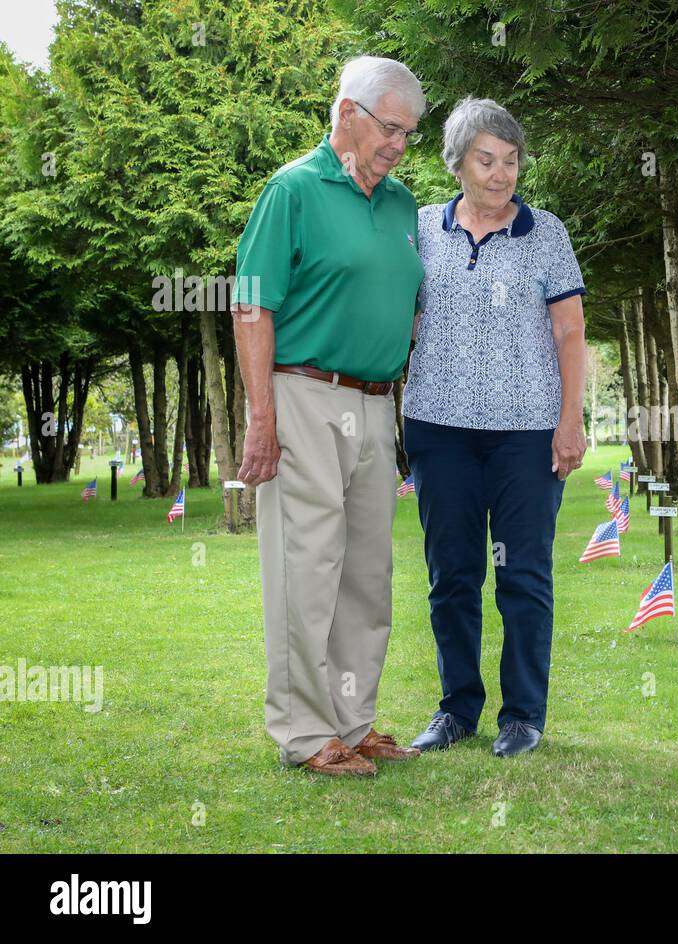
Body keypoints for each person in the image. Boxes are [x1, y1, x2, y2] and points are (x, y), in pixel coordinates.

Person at [231, 56, 427, 777]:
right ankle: (306, 732)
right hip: (304, 397)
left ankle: (354, 720)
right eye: (390, 128)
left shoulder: (403, 203)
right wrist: (261, 418)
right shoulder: (292, 190)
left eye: (410, 133)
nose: (400, 144)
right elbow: (252, 304)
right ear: (347, 113)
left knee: (367, 577)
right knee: (307, 570)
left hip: (377, 407)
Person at [405, 97, 588, 758]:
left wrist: (570, 422)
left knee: (523, 578)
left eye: (511, 160)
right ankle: (456, 709)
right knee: (452, 575)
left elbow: (569, 332)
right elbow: (403, 317)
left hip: (527, 434)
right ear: (457, 162)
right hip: (439, 430)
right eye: (486, 159)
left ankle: (522, 717)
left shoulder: (547, 233)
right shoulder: (419, 229)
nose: (500, 173)